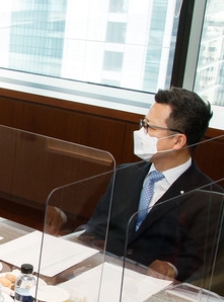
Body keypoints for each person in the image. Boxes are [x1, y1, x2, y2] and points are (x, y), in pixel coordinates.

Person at [81, 87, 222, 281]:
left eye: (150, 127)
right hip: (100, 276)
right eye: (143, 124)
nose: (141, 132)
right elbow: (96, 227)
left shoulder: (209, 198)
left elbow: (199, 265)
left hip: (154, 295)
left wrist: (171, 268)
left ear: (178, 141)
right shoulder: (125, 174)